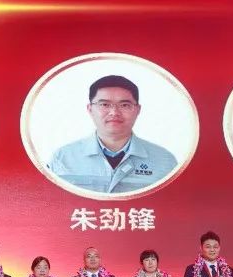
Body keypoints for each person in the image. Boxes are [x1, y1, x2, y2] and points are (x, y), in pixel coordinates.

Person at [47, 75, 178, 194]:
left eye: (124, 105)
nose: (114, 112)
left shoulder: (165, 160)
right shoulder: (63, 158)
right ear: (90, 109)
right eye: (104, 104)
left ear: (137, 110)